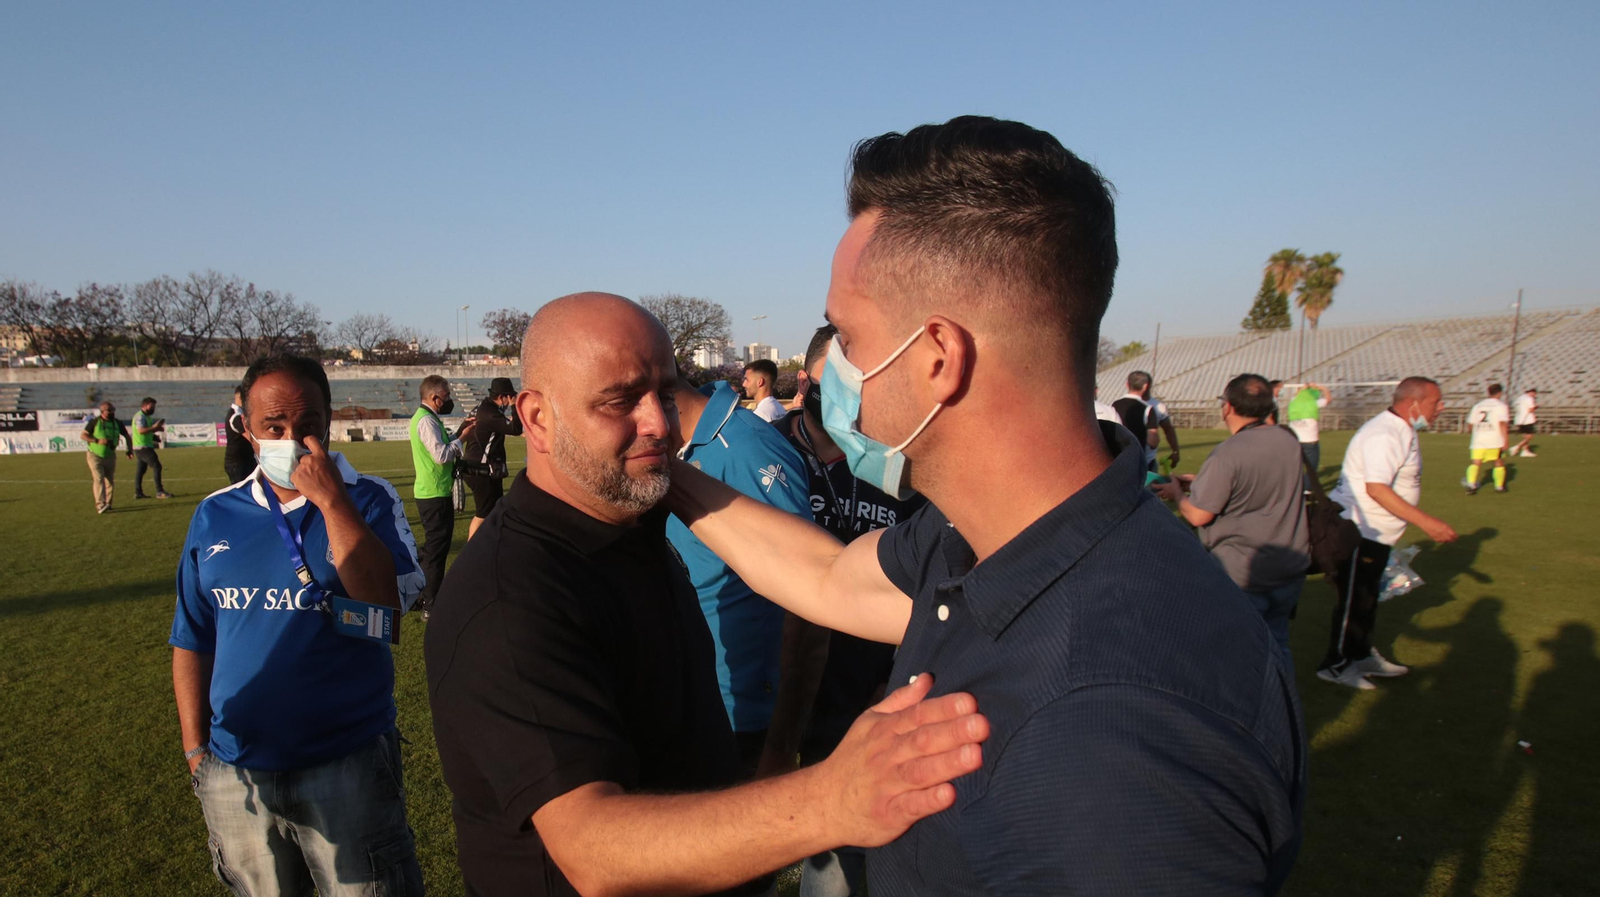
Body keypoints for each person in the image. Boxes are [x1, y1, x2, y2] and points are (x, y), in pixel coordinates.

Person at [668, 116, 1304, 895]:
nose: (831, 367)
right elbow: (830, 577)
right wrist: (666, 471)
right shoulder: (991, 534)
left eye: (848, 333)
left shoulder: (1111, 725)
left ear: (938, 357)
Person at [424, 293, 988, 897]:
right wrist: (832, 798)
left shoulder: (631, 520)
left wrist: (648, 466)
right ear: (537, 418)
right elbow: (593, 850)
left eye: (665, 394)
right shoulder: (509, 600)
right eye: (619, 401)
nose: (661, 424)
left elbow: (829, 578)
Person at [170, 354, 426, 896]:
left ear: (329, 420)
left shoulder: (368, 499)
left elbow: (384, 618)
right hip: (235, 769)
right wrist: (197, 751)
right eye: (275, 427)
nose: (293, 439)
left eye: (308, 425)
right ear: (247, 428)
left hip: (347, 761)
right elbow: (193, 637)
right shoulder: (216, 514)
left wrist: (332, 501)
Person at [770, 323, 929, 897]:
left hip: (858, 691)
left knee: (840, 863)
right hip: (765, 686)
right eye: (830, 383)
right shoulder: (770, 453)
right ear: (808, 380)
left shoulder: (894, 467)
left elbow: (919, 585)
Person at [668, 366, 812, 774]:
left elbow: (808, 601)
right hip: (688, 698)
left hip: (740, 714)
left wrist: (782, 745)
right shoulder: (674, 447)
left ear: (655, 390)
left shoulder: (748, 447)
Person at [1318, 377, 1459, 690]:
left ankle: (1361, 655)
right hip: (1359, 530)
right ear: (1414, 404)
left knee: (1367, 599)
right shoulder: (1384, 433)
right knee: (1354, 600)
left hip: (1377, 533)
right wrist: (1428, 523)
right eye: (1436, 402)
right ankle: (1336, 665)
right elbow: (1377, 489)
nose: (1441, 407)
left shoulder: (1399, 430)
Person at [1154, 374, 1310, 655]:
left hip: (1244, 571)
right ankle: (1282, 698)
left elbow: (1198, 516)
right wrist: (1202, 482)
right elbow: (1258, 482)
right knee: (1277, 645)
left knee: (1236, 652)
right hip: (1290, 564)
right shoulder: (1288, 440)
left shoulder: (1227, 454)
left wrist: (1178, 494)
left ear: (1227, 407)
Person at [409, 374, 475, 614]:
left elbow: (442, 445)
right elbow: (441, 455)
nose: (449, 401)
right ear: (435, 398)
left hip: (434, 491)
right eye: (446, 397)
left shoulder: (428, 418)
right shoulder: (426, 421)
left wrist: (460, 431)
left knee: (433, 550)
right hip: (433, 493)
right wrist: (463, 439)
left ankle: (423, 596)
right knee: (436, 553)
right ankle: (430, 603)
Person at [461, 376, 523, 540]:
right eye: (509, 396)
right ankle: (472, 552)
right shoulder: (490, 413)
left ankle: (489, 543)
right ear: (503, 397)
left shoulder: (482, 408)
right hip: (481, 469)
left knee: (494, 509)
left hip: (480, 467)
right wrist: (514, 406)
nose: (511, 399)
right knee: (483, 514)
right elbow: (516, 428)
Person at [81, 401, 133, 514]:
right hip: (94, 455)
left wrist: (129, 450)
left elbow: (127, 436)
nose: (112, 412)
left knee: (109, 481)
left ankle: (108, 504)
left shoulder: (117, 423)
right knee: (99, 479)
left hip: (110, 455)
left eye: (113, 410)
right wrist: (97, 440)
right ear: (102, 411)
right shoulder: (94, 422)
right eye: (109, 410)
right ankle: (100, 505)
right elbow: (83, 435)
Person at [1465, 383, 1510, 494]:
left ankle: (1471, 485)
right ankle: (1499, 487)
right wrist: (1506, 440)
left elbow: (1470, 425)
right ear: (1500, 393)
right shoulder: (1501, 406)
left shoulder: (1478, 406)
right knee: (1498, 462)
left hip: (1478, 439)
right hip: (1495, 439)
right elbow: (1502, 424)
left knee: (1475, 462)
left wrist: (1473, 431)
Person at [132, 396, 172, 499]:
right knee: (157, 466)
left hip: (141, 446)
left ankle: (138, 493)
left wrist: (154, 435)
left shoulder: (146, 417)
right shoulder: (140, 417)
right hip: (143, 447)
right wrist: (154, 428)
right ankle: (159, 491)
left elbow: (146, 431)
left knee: (140, 471)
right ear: (144, 406)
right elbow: (141, 430)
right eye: (152, 406)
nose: (153, 409)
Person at [1286, 381, 1331, 472]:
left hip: (1294, 439)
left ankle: (1296, 484)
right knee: (1311, 468)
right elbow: (1328, 400)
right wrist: (1323, 389)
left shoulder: (1293, 402)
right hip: (1310, 440)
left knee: (1295, 467)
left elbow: (1296, 395)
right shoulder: (1314, 403)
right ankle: (1308, 485)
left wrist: (1303, 388)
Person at [223, 387, 255, 484]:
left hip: (245, 461)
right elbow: (251, 438)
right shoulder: (236, 416)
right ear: (242, 398)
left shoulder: (240, 414)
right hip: (239, 462)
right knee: (243, 493)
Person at [1510, 386, 1538, 457]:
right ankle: (1517, 447)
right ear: (1531, 392)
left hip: (1519, 419)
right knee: (1529, 436)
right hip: (1527, 419)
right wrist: (1536, 406)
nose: (1535, 395)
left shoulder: (1519, 398)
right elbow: (1531, 409)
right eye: (1534, 393)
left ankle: (1525, 451)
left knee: (1525, 436)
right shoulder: (1529, 399)